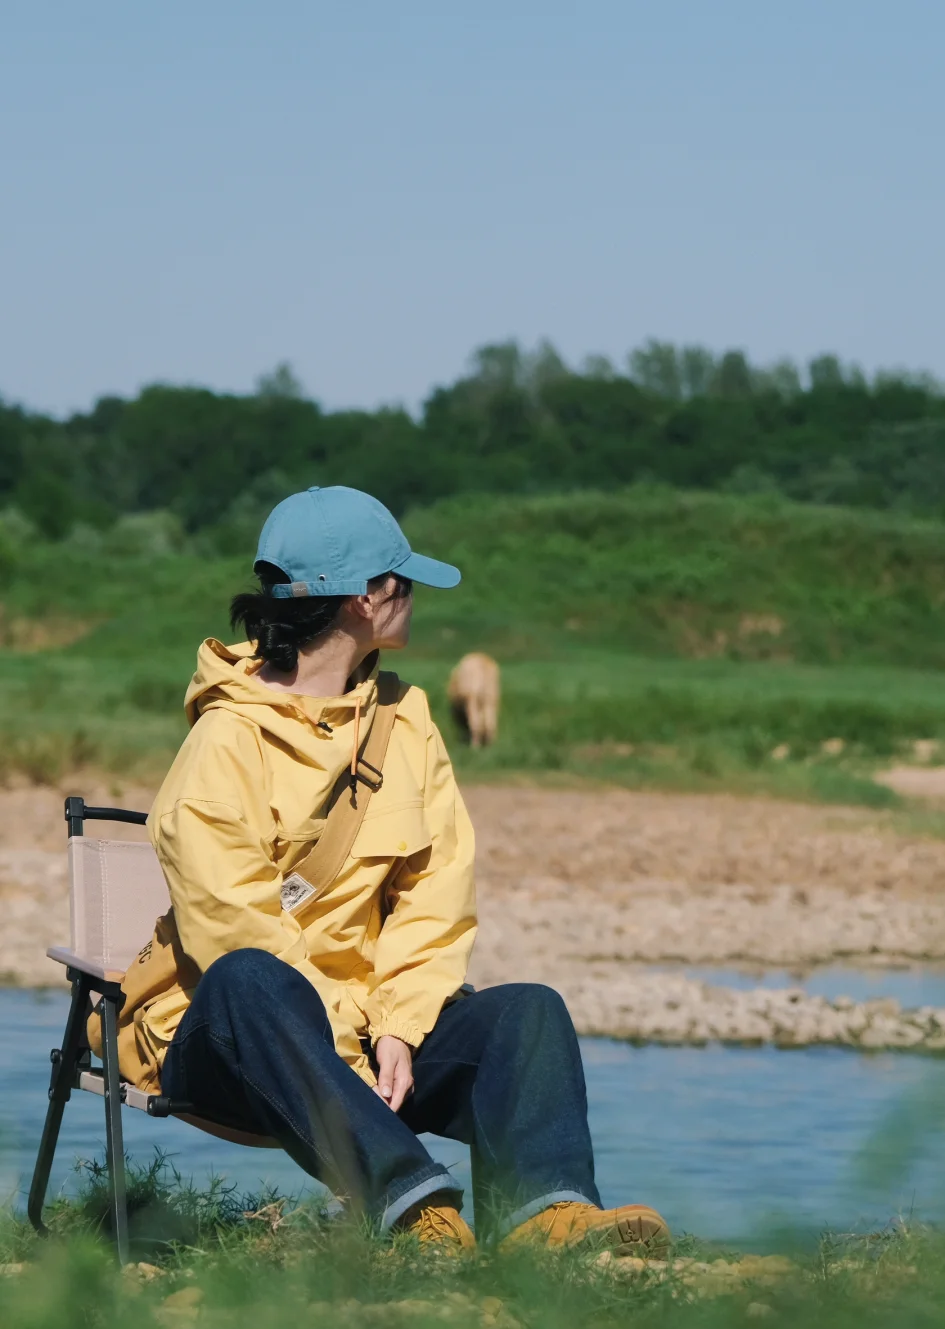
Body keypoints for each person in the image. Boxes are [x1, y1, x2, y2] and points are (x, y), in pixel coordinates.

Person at [109, 486, 669, 1254]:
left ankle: (546, 1221)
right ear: (368, 599)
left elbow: (436, 894)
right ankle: (412, 1211)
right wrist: (349, 1044)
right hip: (232, 1043)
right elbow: (234, 926)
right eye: (404, 581)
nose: (415, 599)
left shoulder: (406, 724)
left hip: (376, 1043)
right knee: (249, 976)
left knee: (526, 1011)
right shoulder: (224, 742)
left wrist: (401, 1026)